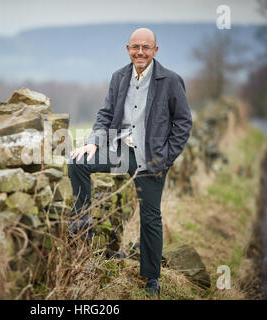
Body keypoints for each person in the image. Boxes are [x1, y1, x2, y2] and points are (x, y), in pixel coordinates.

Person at [67, 28, 192, 297]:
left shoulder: (171, 80)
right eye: (135, 47)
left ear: (155, 51)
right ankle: (83, 227)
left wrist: (166, 158)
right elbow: (105, 114)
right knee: (76, 162)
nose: (140, 52)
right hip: (120, 151)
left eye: (146, 47)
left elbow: (183, 123)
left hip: (152, 158)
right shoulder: (119, 77)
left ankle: (151, 278)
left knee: (150, 217)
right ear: (127, 49)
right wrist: (93, 142)